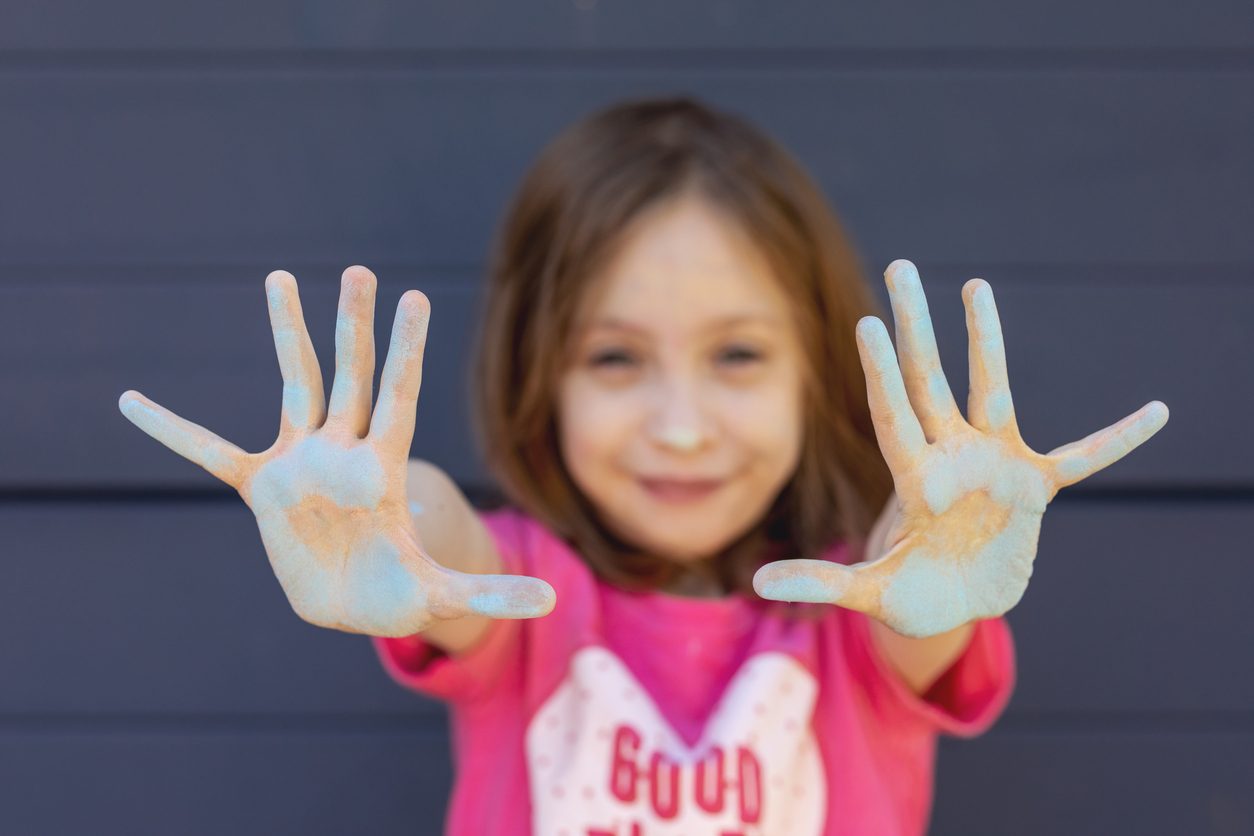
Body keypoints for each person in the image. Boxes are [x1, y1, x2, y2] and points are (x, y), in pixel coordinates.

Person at [118, 99, 1168, 836]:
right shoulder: (523, 599)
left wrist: (934, 552)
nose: (680, 425)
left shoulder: (864, 614)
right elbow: (444, 551)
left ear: (816, 372)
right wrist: (392, 515)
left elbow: (919, 601)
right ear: (544, 373)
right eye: (616, 357)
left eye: (739, 356)